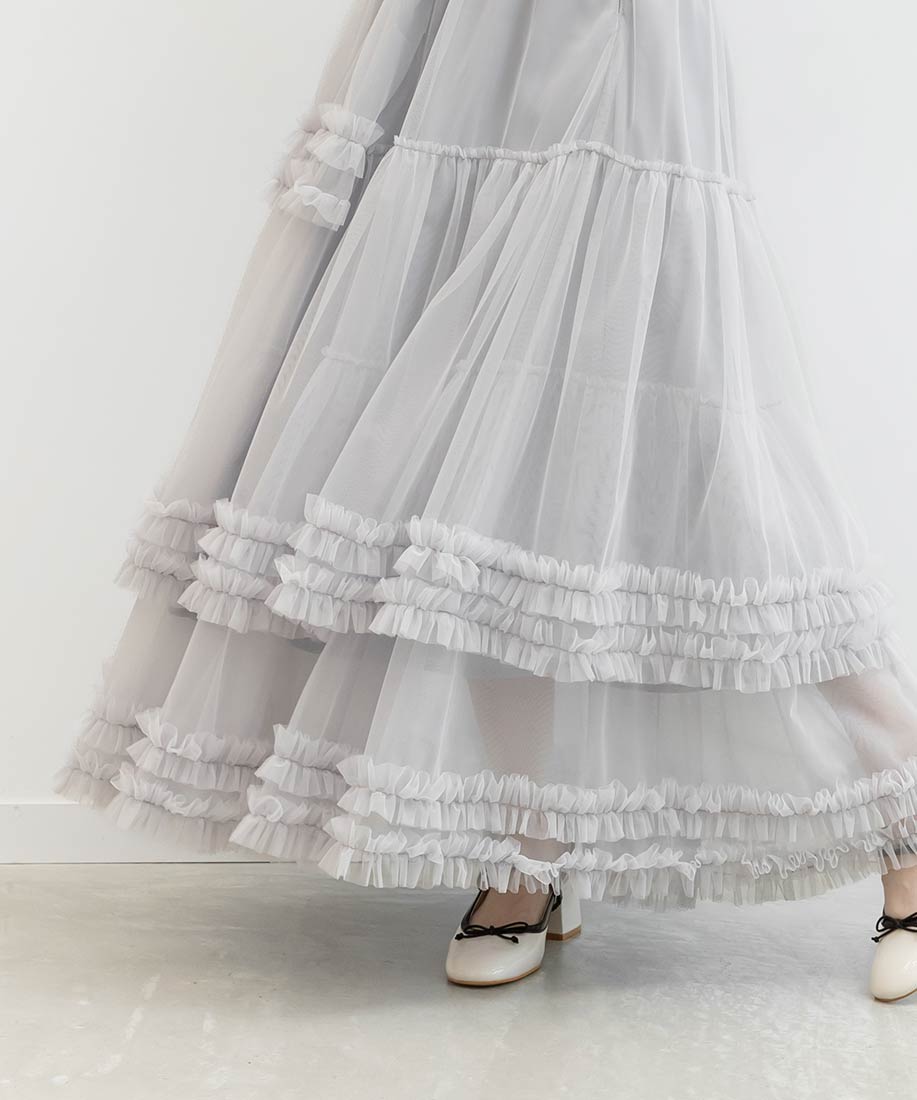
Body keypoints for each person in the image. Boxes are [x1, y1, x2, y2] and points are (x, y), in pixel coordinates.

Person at [56, 0, 917, 998]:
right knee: (471, 479)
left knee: (708, 463)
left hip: (617, 35)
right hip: (461, 31)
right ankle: (528, 847)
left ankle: (906, 832)